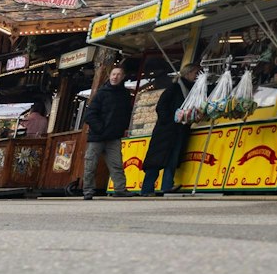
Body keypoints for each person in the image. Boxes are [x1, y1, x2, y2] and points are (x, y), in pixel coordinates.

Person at [141, 65, 197, 196]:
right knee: (156, 161)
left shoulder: (191, 90)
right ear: (188, 73)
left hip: (179, 130)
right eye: (195, 73)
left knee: (172, 159)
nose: (197, 76)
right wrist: (170, 120)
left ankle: (167, 185)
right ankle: (147, 189)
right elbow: (161, 106)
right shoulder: (174, 88)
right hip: (166, 130)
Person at [83, 66, 134, 199]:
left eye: (118, 74)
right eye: (113, 74)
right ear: (110, 76)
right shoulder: (101, 93)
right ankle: (88, 191)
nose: (115, 77)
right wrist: (100, 128)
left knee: (117, 164)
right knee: (90, 164)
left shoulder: (125, 95)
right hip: (97, 136)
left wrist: (122, 128)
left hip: (113, 136)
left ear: (123, 77)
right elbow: (89, 114)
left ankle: (120, 189)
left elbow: (126, 114)